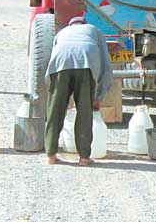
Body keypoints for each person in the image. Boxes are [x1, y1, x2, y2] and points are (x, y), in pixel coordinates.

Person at [44, 16, 113, 166]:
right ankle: (83, 158)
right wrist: (98, 95)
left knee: (55, 111)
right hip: (86, 65)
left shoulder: (62, 33)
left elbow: (50, 60)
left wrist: (55, 93)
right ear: (84, 24)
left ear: (71, 25)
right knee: (84, 112)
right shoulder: (94, 30)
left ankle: (51, 155)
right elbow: (106, 66)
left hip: (60, 66)